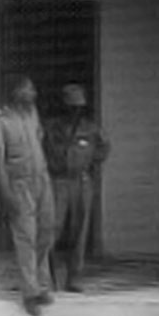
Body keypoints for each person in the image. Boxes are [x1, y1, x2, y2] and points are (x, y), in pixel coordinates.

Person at [0, 74, 56, 316]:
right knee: (26, 237)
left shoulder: (33, 114)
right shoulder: (2, 121)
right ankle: (30, 292)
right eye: (28, 90)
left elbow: (39, 140)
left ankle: (42, 284)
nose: (33, 94)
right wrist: (6, 191)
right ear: (16, 92)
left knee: (46, 231)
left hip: (42, 179)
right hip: (20, 184)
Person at [43, 83, 110, 292]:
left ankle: (74, 277)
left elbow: (104, 147)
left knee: (80, 229)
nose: (75, 111)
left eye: (78, 107)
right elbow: (42, 148)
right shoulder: (51, 126)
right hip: (58, 180)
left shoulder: (90, 127)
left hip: (81, 180)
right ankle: (48, 276)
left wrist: (90, 161)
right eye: (71, 106)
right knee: (52, 227)